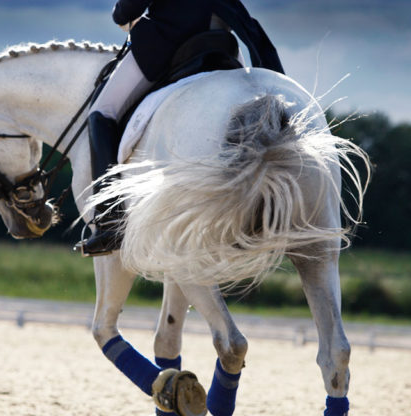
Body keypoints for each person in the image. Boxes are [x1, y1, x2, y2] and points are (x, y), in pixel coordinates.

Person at [78, 0, 283, 257]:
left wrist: (122, 14)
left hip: (170, 38)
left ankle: (110, 220)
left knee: (101, 113)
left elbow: (129, 10)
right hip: (223, 36)